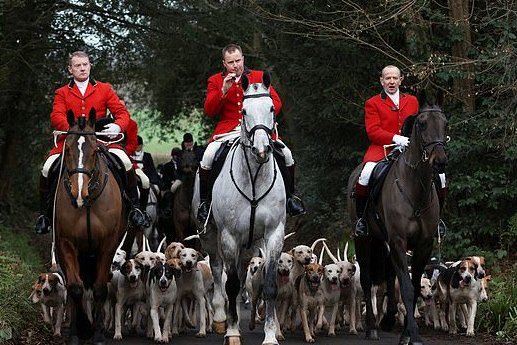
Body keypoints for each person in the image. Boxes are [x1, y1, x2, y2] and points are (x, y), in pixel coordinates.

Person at [34, 51, 148, 234]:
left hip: (101, 141)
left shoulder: (105, 89)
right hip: (71, 141)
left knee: (126, 162)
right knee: (47, 167)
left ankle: (134, 209)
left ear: (90, 66)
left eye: (85, 64)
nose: (82, 68)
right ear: (70, 69)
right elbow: (56, 115)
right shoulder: (62, 92)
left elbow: (122, 113)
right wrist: (75, 131)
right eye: (77, 65)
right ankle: (45, 215)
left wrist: (118, 127)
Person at [197, 43, 306, 223]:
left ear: (243, 59)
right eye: (231, 62)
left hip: (258, 130)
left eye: (238, 60)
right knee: (208, 156)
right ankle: (205, 203)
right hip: (229, 131)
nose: (235, 65)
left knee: (286, 154)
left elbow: (276, 103)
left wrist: (262, 116)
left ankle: (291, 198)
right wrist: (223, 90)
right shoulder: (215, 80)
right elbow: (209, 110)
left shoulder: (259, 76)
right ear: (224, 63)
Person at [354, 65, 447, 237]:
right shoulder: (372, 103)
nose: (391, 81)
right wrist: (396, 138)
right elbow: (373, 131)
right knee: (365, 174)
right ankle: (362, 220)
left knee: (441, 177)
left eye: (394, 78)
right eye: (387, 78)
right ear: (382, 81)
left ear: (400, 80)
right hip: (382, 149)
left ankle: (438, 220)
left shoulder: (412, 101)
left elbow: (423, 124)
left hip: (412, 150)